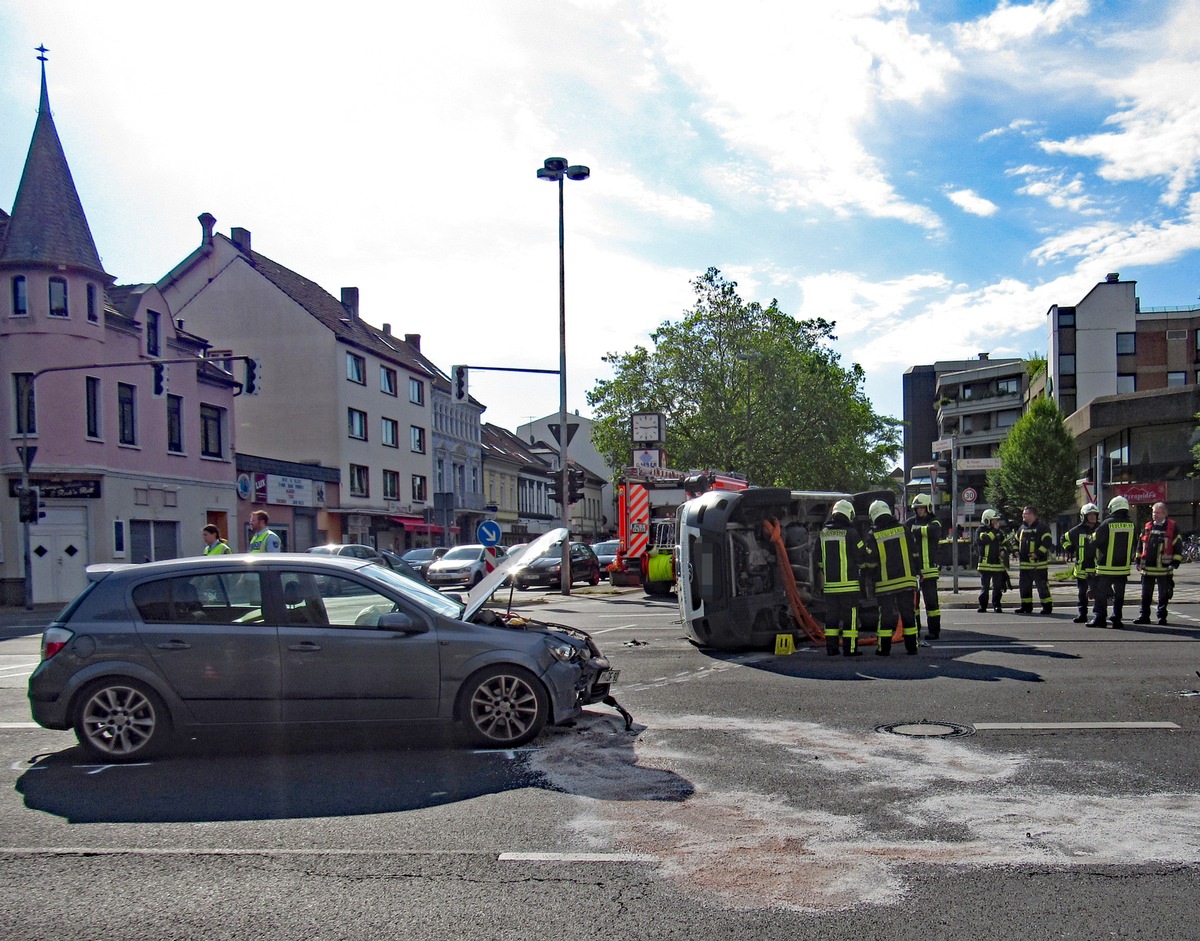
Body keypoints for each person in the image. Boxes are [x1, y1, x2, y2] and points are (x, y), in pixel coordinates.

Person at [862, 499, 919, 656]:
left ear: (873, 516)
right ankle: (912, 647)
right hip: (907, 581)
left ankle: (884, 648)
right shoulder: (904, 529)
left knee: (885, 617)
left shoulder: (873, 534)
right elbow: (915, 553)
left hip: (885, 584)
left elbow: (871, 562)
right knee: (908, 615)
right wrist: (917, 572)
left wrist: (867, 575)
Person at [818, 499, 868, 657]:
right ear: (848, 513)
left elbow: (818, 559)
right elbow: (861, 556)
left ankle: (831, 649)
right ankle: (850, 648)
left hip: (830, 586)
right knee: (850, 617)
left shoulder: (823, 533)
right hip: (849, 585)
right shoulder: (851, 533)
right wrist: (862, 570)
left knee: (831, 618)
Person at [1090, 495, 1137, 629]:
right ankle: (1117, 618)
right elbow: (1133, 543)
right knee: (1119, 595)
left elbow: (1095, 541)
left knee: (1101, 594)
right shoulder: (1131, 525)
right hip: (1123, 568)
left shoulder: (1107, 523)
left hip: (1106, 567)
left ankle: (1100, 618)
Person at [1135, 501, 1182, 625]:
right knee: (1145, 595)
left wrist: (1175, 562)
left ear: (1165, 513)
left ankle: (1162, 617)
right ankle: (1144, 616)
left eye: (1158, 512)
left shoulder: (1172, 527)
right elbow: (1141, 544)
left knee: (1164, 595)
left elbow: (1177, 545)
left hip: (1164, 568)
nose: (1155, 515)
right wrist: (1138, 560)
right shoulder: (1147, 527)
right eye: (1154, 512)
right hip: (1148, 568)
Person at [905, 493, 942, 639]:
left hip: (929, 570)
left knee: (931, 603)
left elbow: (932, 530)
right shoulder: (909, 522)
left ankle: (934, 631)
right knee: (914, 604)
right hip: (913, 570)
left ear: (928, 507)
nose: (919, 510)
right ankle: (916, 630)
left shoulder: (935, 521)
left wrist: (915, 530)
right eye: (917, 508)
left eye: (922, 508)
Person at [1062, 503, 1099, 623]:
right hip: (1081, 567)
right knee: (1082, 593)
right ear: (1084, 516)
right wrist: (1070, 549)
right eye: (1090, 515)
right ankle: (1082, 614)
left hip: (1096, 567)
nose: (1093, 517)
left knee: (1098, 593)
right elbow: (1064, 538)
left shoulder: (1101, 528)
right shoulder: (1077, 530)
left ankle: (1098, 614)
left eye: (1094, 514)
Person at [1015, 506, 1053, 615]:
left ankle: (1047, 607)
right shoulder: (1021, 528)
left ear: (1032, 515)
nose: (1023, 515)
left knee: (1042, 587)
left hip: (1039, 565)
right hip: (1024, 565)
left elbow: (1047, 542)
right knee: (1024, 587)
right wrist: (1015, 551)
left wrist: (1037, 553)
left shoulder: (1042, 527)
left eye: (1025, 514)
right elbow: (1015, 541)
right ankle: (1026, 606)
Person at [976, 509, 1007, 613]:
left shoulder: (999, 532)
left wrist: (1003, 551)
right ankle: (983, 606)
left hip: (997, 564)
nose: (996, 522)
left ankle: (997, 605)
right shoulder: (980, 530)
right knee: (985, 587)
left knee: (997, 588)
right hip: (985, 564)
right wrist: (994, 531)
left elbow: (1004, 544)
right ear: (987, 520)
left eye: (996, 520)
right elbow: (984, 540)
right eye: (993, 520)